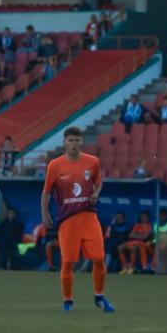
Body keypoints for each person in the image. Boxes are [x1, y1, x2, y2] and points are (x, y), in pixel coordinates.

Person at [40, 126, 113, 312]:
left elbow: (98, 183)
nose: (74, 144)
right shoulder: (55, 165)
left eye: (77, 140)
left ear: (82, 142)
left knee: (99, 257)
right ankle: (68, 300)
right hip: (67, 220)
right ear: (65, 142)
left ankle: (99, 296)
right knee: (68, 262)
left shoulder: (92, 162)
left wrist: (96, 193)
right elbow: (46, 192)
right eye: (70, 140)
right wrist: (45, 214)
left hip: (89, 216)